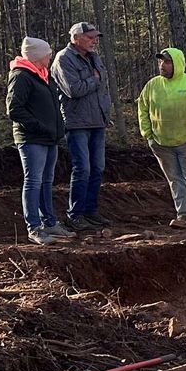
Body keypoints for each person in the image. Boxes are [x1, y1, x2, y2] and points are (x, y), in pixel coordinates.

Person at [137, 46, 186, 229]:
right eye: (161, 61)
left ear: (177, 64)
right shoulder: (152, 85)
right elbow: (143, 109)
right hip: (161, 144)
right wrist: (148, 134)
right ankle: (184, 216)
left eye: (167, 61)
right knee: (175, 180)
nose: (162, 65)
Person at [51, 20, 114, 231]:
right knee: (83, 168)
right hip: (77, 123)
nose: (94, 41)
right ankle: (75, 214)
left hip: (97, 122)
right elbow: (73, 90)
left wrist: (105, 112)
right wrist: (94, 79)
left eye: (95, 37)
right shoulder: (63, 59)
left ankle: (90, 211)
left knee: (97, 168)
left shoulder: (94, 58)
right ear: (76, 38)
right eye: (89, 37)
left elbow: (102, 88)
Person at [6, 36, 68, 244]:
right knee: (33, 181)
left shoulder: (44, 75)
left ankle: (49, 222)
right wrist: (38, 127)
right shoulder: (21, 76)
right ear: (37, 56)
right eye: (47, 53)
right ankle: (34, 227)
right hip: (32, 139)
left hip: (50, 138)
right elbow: (15, 109)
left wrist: (58, 128)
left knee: (46, 181)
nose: (50, 56)